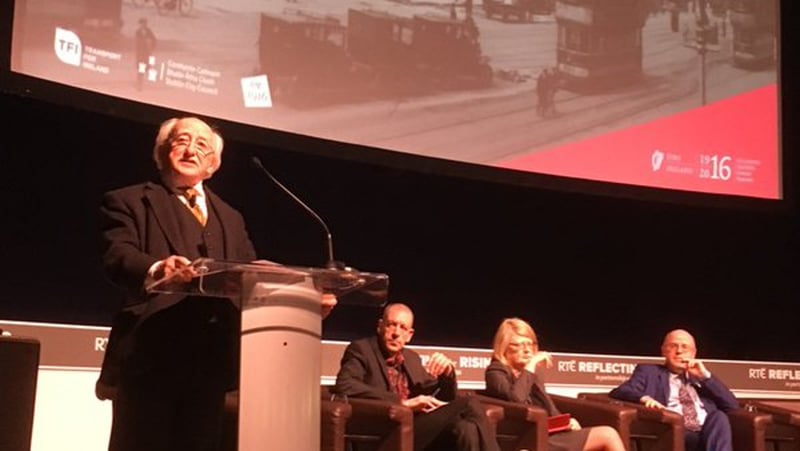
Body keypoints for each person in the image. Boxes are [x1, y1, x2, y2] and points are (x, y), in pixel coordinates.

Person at [96, 116, 336, 451]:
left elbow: (251, 280)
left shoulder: (231, 216)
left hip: (210, 363)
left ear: (213, 164)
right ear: (161, 152)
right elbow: (118, 256)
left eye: (201, 145)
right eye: (181, 141)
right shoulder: (129, 200)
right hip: (150, 357)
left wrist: (304, 301)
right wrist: (158, 268)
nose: (191, 150)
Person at [334, 302, 500, 451]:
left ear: (409, 335)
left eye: (403, 328)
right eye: (392, 325)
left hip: (416, 429)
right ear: (380, 326)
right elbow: (345, 384)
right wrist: (402, 403)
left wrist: (447, 375)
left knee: (467, 428)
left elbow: (443, 396)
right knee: (470, 401)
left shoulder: (412, 358)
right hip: (384, 432)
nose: (396, 333)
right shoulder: (361, 349)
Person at [484, 318, 626, 451]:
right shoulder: (495, 371)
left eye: (530, 344)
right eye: (518, 345)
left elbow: (547, 405)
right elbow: (517, 400)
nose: (527, 350)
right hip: (525, 438)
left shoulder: (531, 374)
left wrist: (566, 422)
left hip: (547, 434)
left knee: (606, 434)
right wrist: (531, 365)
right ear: (503, 347)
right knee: (608, 434)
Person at [609, 329, 739, 451]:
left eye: (685, 347)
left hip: (707, 432)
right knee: (692, 436)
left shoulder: (701, 380)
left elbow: (731, 405)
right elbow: (621, 391)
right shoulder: (649, 371)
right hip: (674, 431)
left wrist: (705, 377)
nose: (679, 351)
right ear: (664, 351)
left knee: (719, 417)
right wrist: (645, 398)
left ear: (693, 353)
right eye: (673, 346)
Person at [134, 18, 156, 90]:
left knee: (149, 67)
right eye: (142, 23)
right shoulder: (138, 32)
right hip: (141, 54)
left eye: (144, 23)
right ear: (140, 24)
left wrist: (152, 48)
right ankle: (139, 84)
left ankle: (149, 82)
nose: (143, 25)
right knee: (141, 69)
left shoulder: (149, 31)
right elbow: (137, 44)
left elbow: (154, 40)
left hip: (148, 54)